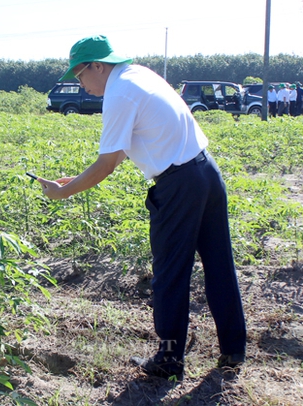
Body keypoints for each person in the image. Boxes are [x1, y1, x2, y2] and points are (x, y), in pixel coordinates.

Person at [34, 35, 246, 379]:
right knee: (219, 264)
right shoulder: (139, 76)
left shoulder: (119, 94)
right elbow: (116, 155)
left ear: (97, 66)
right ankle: (234, 350)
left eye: (80, 75)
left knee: (170, 273)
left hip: (179, 184)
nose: (81, 84)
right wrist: (72, 179)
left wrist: (64, 193)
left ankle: (169, 359)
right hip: (206, 172)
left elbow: (105, 166)